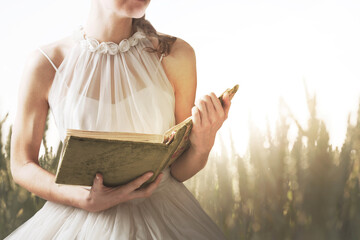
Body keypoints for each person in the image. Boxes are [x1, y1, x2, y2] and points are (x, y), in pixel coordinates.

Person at [6, 0, 232, 239]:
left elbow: (177, 171)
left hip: (165, 219)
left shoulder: (175, 54)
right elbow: (21, 165)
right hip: (77, 221)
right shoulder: (46, 62)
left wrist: (202, 146)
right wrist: (83, 198)